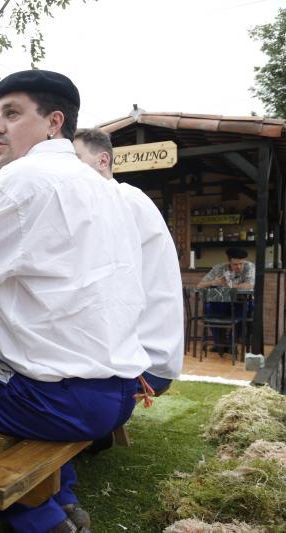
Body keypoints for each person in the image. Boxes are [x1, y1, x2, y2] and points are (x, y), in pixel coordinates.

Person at [0, 70, 148, 533]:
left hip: (64, 397)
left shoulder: (25, 178)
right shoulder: (103, 189)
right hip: (121, 390)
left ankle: (39, 517)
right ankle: (64, 499)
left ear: (53, 122)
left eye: (12, 113)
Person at [74, 128, 183, 397]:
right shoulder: (128, 197)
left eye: (75, 159)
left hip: (142, 364)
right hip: (153, 356)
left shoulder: (117, 202)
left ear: (102, 161)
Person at [196, 247, 255, 350]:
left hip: (242, 302)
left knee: (244, 309)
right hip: (223, 302)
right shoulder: (219, 268)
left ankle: (232, 343)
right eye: (235, 264)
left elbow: (248, 285)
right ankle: (219, 343)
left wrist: (229, 286)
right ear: (229, 262)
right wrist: (213, 282)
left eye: (241, 263)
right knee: (210, 307)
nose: (239, 267)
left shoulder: (249, 267)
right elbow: (200, 285)